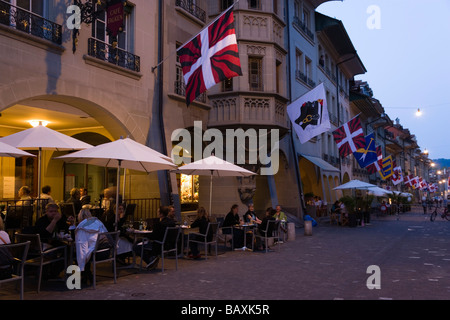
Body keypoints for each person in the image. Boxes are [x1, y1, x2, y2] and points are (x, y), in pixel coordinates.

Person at [75, 208, 109, 285]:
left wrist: (81, 266)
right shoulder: (98, 222)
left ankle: (84, 277)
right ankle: (88, 277)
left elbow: (81, 248)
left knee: (81, 254)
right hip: (106, 251)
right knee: (87, 253)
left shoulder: (81, 228)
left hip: (97, 253)